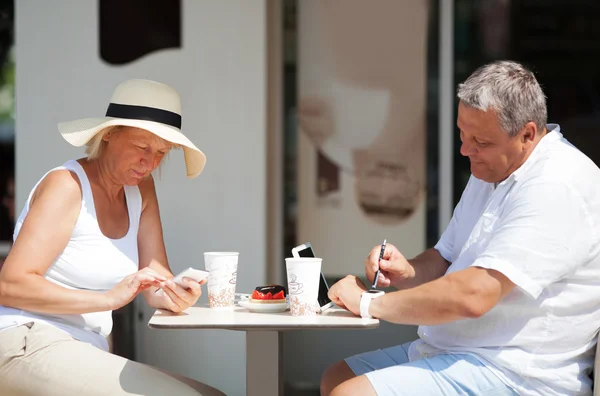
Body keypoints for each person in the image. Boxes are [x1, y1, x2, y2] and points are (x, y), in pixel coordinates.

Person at [321, 61, 600, 396]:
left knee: (350, 393)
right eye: (462, 135)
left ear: (527, 134)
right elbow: (447, 258)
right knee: (336, 377)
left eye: (480, 141)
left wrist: (368, 303)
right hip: (464, 351)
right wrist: (407, 271)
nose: (465, 150)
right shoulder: (496, 166)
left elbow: (475, 294)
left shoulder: (556, 185)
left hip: (516, 374)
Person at [0, 79, 225, 395]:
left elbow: (155, 278)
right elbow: (10, 285)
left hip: (83, 347)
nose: (151, 163)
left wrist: (174, 293)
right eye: (142, 147)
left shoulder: (141, 190)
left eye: (162, 152)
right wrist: (106, 300)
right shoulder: (67, 186)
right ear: (108, 134)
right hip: (24, 340)